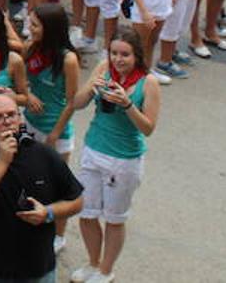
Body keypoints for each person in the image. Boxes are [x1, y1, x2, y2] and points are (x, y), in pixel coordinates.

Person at [0, 93, 84, 283]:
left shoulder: (44, 155)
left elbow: (77, 200)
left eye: (11, 114)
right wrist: (2, 160)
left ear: (20, 118)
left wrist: (48, 213)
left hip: (36, 266)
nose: (7, 121)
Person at [70, 29, 162, 283]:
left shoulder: (148, 82)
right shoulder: (103, 68)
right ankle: (92, 263)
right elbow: (76, 103)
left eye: (125, 54)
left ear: (137, 55)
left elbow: (148, 128)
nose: (118, 59)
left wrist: (127, 104)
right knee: (86, 212)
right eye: (114, 53)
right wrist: (91, 88)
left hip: (124, 159)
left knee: (113, 218)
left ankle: (106, 270)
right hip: (93, 149)